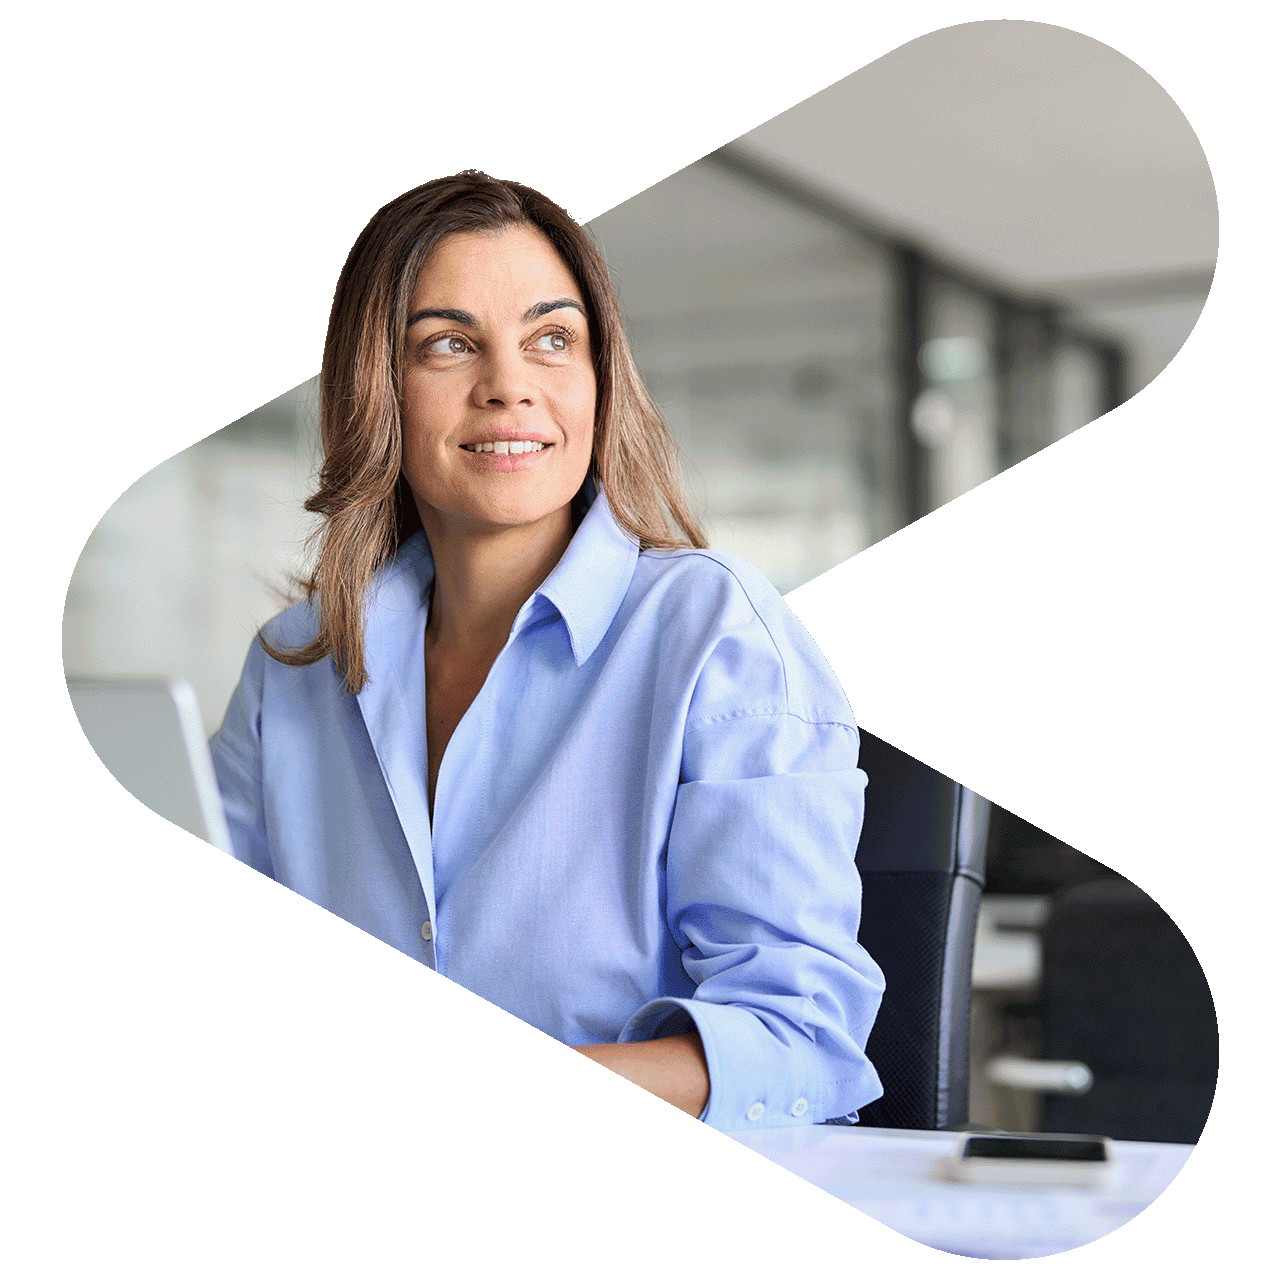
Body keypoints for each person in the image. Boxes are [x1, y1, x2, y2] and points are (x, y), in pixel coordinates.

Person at [211, 172, 885, 1131]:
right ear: (377, 386)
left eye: (552, 339)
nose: (509, 385)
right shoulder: (294, 664)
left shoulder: (712, 634)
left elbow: (797, 1039)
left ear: (600, 378)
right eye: (448, 344)